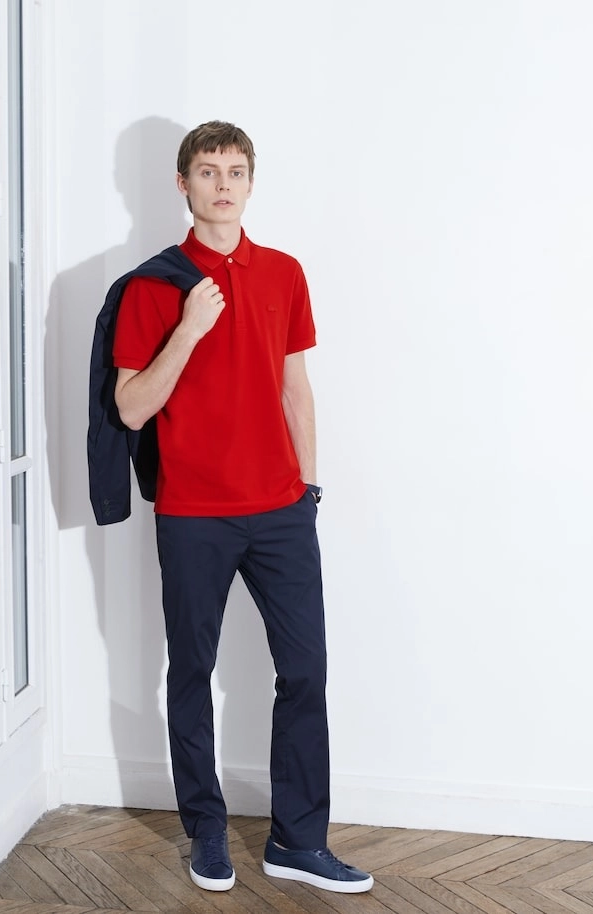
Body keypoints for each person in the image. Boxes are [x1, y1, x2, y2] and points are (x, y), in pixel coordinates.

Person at [107, 121, 373, 894]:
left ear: (251, 183)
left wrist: (308, 488)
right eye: (207, 171)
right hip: (193, 512)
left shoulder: (285, 273)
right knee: (192, 671)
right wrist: (189, 330)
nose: (222, 184)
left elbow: (296, 387)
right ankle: (207, 829)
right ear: (182, 184)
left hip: (282, 509)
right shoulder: (153, 287)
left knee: (306, 672)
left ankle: (298, 840)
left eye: (234, 171)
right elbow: (131, 407)